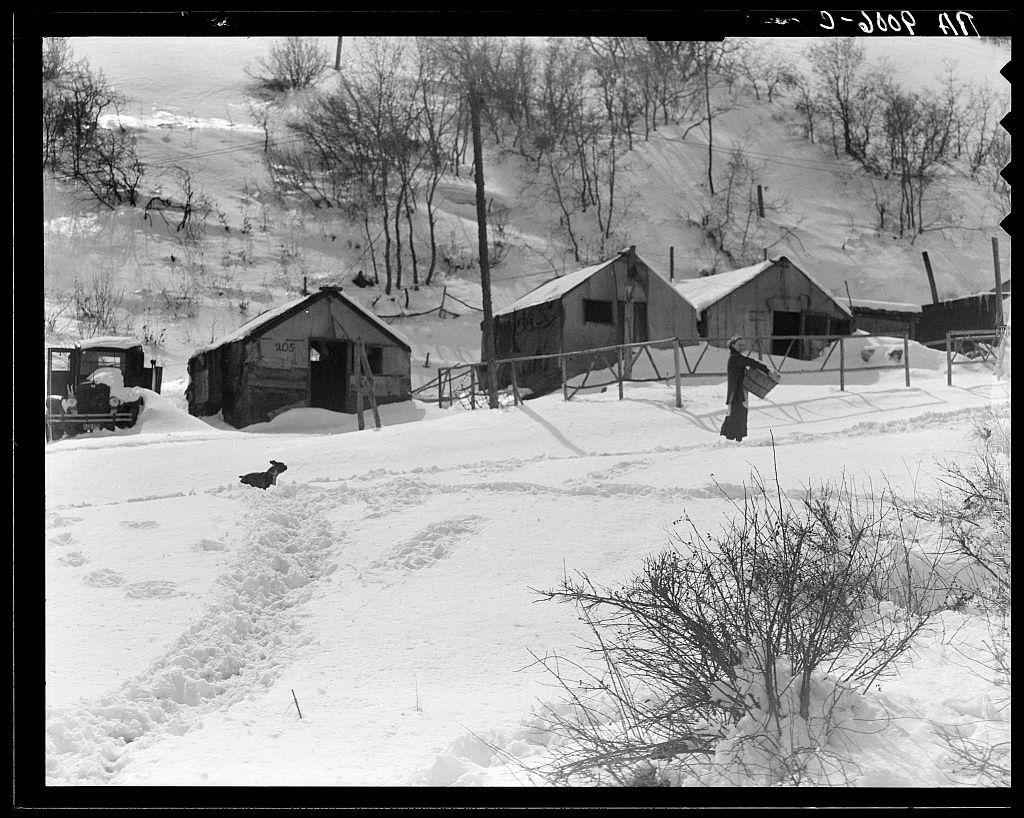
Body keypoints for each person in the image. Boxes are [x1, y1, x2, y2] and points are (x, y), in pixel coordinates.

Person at [720, 335, 770, 442]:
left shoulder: (736, 357)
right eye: (739, 345)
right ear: (733, 345)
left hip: (737, 391)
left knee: (736, 415)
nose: (742, 346)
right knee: (739, 416)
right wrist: (768, 370)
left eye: (743, 344)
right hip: (737, 392)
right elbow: (752, 362)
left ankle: (733, 440)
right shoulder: (736, 357)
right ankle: (735, 441)